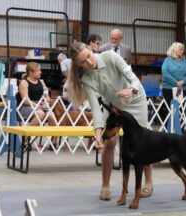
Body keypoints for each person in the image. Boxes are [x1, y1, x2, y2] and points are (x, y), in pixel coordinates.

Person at [66, 41, 153, 201]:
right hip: (114, 105)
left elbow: (133, 78)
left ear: (91, 50)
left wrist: (132, 90)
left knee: (142, 141)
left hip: (136, 99)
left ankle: (148, 182)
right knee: (110, 141)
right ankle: (105, 186)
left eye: (89, 56)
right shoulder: (86, 79)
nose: (89, 62)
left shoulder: (111, 56)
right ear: (77, 64)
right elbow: (96, 111)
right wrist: (98, 134)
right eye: (83, 62)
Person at [17, 62, 57, 147]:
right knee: (40, 113)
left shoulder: (42, 82)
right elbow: (25, 100)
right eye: (38, 70)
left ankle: (53, 141)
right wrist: (37, 105)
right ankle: (26, 140)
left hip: (40, 106)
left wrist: (45, 102)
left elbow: (47, 96)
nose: (40, 72)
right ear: (31, 72)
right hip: (26, 107)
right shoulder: (24, 82)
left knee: (51, 115)